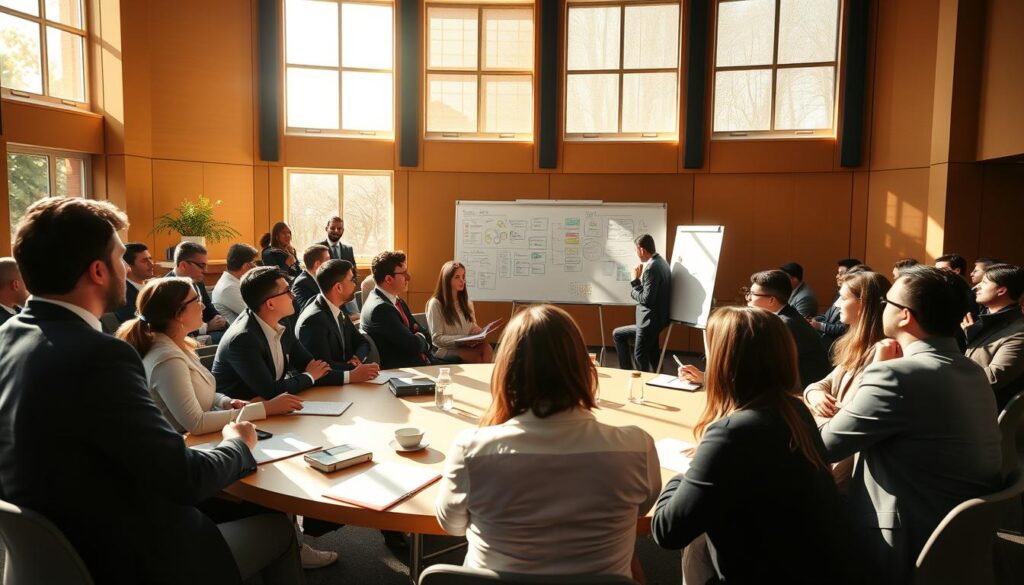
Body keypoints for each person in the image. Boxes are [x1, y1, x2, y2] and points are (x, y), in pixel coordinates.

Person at [0, 198, 303, 585]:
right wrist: (238, 442)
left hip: (50, 555)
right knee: (275, 525)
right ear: (97, 271)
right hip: (130, 557)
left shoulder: (8, 337)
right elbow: (183, 478)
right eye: (120, 258)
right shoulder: (100, 356)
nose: (127, 268)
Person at [435, 304, 661, 579]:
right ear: (584, 367)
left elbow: (452, 525)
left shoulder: (472, 450)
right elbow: (641, 510)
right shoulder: (637, 447)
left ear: (506, 370)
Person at [818, 265, 1002, 584]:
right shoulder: (971, 370)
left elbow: (824, 445)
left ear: (904, 316)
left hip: (901, 538)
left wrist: (820, 409)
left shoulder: (894, 375)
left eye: (887, 303)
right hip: (955, 533)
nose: (882, 309)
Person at [652, 307, 849, 584]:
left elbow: (667, 531)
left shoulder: (731, 433)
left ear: (724, 361)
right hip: (807, 567)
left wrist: (682, 476)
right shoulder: (795, 411)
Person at [117, 277, 304, 435]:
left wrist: (225, 402)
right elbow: (196, 424)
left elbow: (198, 392)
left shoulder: (178, 344)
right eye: (196, 300)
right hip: (184, 448)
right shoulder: (167, 359)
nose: (203, 306)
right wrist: (266, 408)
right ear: (179, 314)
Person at [803, 271, 891, 489]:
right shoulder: (856, 343)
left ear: (863, 304)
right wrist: (814, 395)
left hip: (849, 461)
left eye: (843, 298)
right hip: (837, 450)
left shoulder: (884, 351)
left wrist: (812, 413)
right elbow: (820, 384)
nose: (836, 306)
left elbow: (857, 414)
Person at [678, 270, 831, 389]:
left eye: (752, 294)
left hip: (798, 394)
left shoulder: (783, 326)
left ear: (771, 300)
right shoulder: (785, 316)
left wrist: (708, 379)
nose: (748, 298)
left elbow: (759, 372)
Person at [212, 266, 346, 400]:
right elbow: (271, 391)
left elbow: (313, 366)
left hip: (272, 406)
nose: (293, 296)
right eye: (287, 291)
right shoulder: (243, 338)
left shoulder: (281, 322)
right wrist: (309, 376)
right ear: (270, 304)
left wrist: (351, 375)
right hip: (240, 413)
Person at [295, 259, 379, 382]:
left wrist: (356, 358)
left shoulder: (336, 305)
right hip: (324, 392)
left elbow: (362, 342)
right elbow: (323, 368)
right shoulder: (314, 320)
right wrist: (353, 370)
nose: (355, 284)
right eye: (352, 280)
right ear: (338, 287)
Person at [361, 250, 441, 369]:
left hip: (421, 363)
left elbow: (424, 333)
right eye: (403, 274)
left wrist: (419, 337)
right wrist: (421, 338)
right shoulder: (381, 309)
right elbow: (413, 346)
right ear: (388, 279)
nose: (408, 277)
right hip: (406, 371)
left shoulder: (396, 301)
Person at [965, 263, 1024, 410]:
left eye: (984, 283)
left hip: (984, 410)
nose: (976, 287)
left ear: (1002, 290)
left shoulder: (1019, 331)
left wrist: (947, 379)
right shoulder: (985, 320)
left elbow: (993, 378)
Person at [612, 234, 672, 373]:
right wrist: (639, 282)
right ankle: (659, 379)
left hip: (648, 322)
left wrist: (634, 282)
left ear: (642, 250)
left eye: (636, 250)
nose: (636, 253)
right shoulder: (662, 262)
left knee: (640, 357)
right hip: (656, 321)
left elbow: (647, 299)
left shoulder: (652, 268)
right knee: (653, 355)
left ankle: (634, 379)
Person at [425, 260, 493, 363]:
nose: (462, 281)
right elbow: (436, 339)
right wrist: (462, 339)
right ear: (447, 280)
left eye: (463, 277)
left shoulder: (467, 303)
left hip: (465, 346)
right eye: (457, 277)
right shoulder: (435, 304)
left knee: (487, 348)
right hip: (446, 350)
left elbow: (471, 326)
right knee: (478, 357)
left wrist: (478, 332)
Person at [169, 241, 228, 342]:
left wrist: (219, 319)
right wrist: (206, 327)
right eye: (201, 265)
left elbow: (208, 306)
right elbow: (171, 326)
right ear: (183, 265)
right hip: (183, 339)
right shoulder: (166, 287)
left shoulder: (197, 280)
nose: (205, 270)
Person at [810, 259, 864, 353]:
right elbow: (827, 315)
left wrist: (820, 326)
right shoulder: (839, 294)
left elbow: (844, 328)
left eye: (841, 273)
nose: (837, 276)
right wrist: (813, 320)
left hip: (836, 344)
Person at [212, 243, 259, 325]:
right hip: (239, 332)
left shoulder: (233, 280)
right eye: (254, 263)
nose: (255, 266)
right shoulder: (229, 288)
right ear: (246, 266)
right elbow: (256, 315)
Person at [114, 242, 154, 322]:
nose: (151, 264)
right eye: (144, 261)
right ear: (128, 265)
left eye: (150, 258)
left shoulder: (152, 286)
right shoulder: (123, 295)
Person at [292, 244, 329, 313]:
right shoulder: (301, 283)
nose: (330, 262)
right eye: (327, 260)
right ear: (317, 264)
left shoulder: (325, 277)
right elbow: (308, 310)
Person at [0, 257, 29, 327]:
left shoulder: (19, 310)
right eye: (27, 281)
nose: (29, 288)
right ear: (15, 285)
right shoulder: (3, 324)